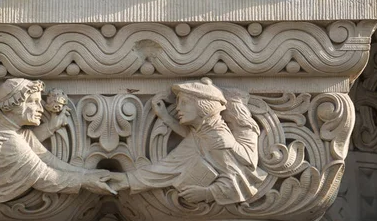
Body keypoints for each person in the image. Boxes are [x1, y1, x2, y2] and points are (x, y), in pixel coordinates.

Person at [110, 78, 266, 205]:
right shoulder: (201, 133)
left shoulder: (218, 139)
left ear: (202, 106)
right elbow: (168, 167)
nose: (178, 108)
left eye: (184, 102)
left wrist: (206, 193)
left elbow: (240, 183)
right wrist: (128, 180)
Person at [0, 78, 115, 202]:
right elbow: (44, 176)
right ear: (16, 104)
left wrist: (86, 173)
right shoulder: (7, 139)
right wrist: (85, 180)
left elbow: (46, 157)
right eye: (34, 102)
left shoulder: (7, 131)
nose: (40, 108)